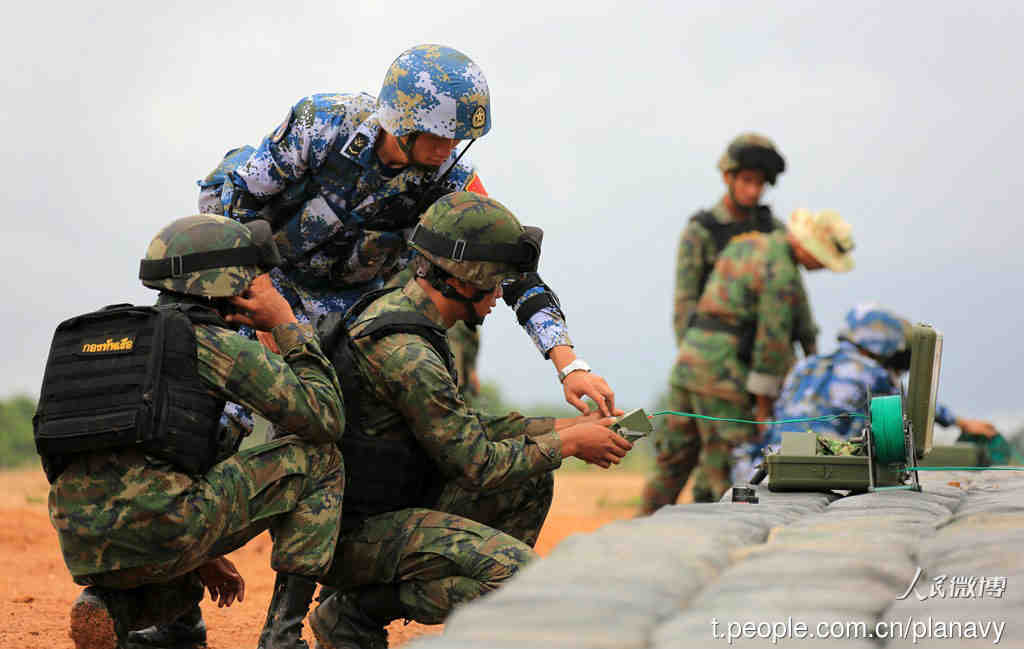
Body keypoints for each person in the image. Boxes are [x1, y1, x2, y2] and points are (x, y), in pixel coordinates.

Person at [195, 43, 615, 417]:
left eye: (458, 139)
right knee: (227, 407)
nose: (448, 149)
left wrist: (568, 364)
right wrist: (271, 311)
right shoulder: (322, 123)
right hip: (257, 274)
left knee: (336, 418)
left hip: (345, 302)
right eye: (439, 136)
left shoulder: (449, 177)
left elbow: (509, 263)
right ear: (402, 120)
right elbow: (240, 204)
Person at [308, 191, 632, 649]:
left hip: (388, 510)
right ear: (463, 278)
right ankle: (354, 611)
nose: (501, 294)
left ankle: (364, 604)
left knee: (529, 479)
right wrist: (573, 445)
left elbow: (465, 429)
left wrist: (569, 429)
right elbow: (476, 464)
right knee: (516, 579)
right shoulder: (408, 351)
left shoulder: (412, 323)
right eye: (496, 281)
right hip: (351, 535)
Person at [34, 215, 346, 649]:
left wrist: (203, 553)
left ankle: (108, 608)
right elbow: (324, 417)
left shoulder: (115, 341)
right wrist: (285, 324)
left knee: (180, 582)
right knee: (320, 457)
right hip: (166, 522)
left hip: (81, 539)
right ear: (225, 280)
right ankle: (283, 637)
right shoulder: (207, 340)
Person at [646, 134, 819, 512]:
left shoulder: (773, 232)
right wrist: (700, 362)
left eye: (759, 183)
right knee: (673, 461)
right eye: (746, 181)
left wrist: (809, 354)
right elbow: (685, 302)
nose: (752, 190)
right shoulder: (702, 230)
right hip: (711, 363)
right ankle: (634, 538)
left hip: (748, 367)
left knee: (720, 463)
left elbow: (791, 305)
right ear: (728, 177)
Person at [642, 208, 855, 511]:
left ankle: (639, 533)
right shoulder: (780, 272)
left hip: (689, 365)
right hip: (723, 377)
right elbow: (772, 345)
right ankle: (710, 542)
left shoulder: (750, 243)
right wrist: (764, 412)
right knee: (730, 471)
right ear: (809, 247)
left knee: (672, 462)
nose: (822, 267)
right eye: (823, 259)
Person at [765, 304, 1006, 458]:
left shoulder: (808, 364)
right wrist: (960, 422)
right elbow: (912, 407)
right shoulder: (870, 373)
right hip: (818, 461)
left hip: (774, 458)